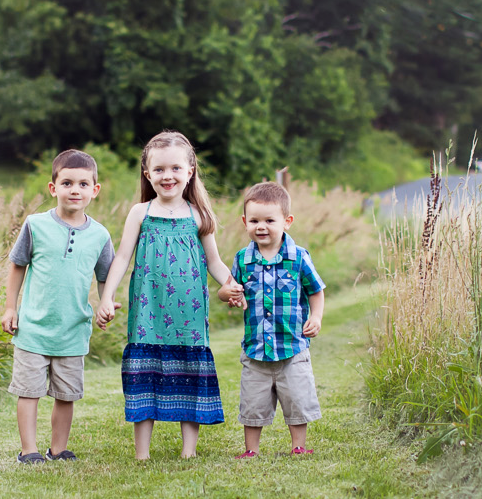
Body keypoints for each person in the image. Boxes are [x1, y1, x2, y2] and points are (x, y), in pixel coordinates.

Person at [97, 131, 244, 460]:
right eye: (160, 170)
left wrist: (232, 284)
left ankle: (188, 452)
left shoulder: (199, 215)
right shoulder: (140, 212)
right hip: (148, 309)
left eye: (176, 168)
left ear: (190, 171)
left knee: (189, 372)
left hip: (189, 315)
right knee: (145, 372)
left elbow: (214, 262)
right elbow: (121, 258)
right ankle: (142, 454)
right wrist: (106, 297)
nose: (168, 176)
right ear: (148, 174)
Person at [0, 149, 115, 466]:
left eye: (82, 184)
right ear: (53, 188)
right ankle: (29, 450)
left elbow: (106, 276)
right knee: (29, 391)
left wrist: (106, 303)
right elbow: (16, 266)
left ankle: (58, 449)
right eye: (67, 183)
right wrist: (11, 308)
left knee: (67, 394)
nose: (74, 190)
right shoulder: (35, 225)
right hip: (34, 327)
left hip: (73, 330)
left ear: (95, 190)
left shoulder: (100, 235)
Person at [225, 181, 324, 456]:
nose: (261, 226)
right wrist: (232, 295)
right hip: (256, 348)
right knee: (252, 402)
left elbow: (316, 290)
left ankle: (299, 446)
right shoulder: (243, 259)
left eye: (269, 220)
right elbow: (232, 290)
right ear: (245, 221)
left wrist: (316, 317)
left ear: (287, 221)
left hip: (292, 346)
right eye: (254, 220)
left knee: (297, 398)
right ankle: (251, 450)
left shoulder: (298, 258)